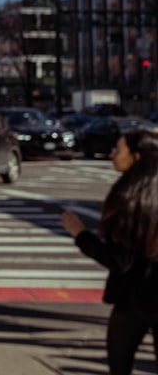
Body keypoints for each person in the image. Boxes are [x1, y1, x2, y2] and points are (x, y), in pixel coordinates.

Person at [61, 130, 158, 375]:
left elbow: (119, 261)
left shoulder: (131, 200)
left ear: (136, 157)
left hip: (135, 298)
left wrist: (81, 235)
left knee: (120, 364)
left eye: (118, 150)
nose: (113, 156)